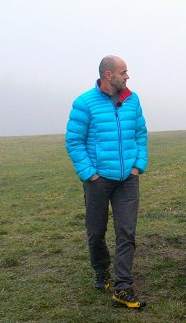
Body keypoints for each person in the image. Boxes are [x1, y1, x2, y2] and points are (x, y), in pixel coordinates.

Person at [65, 55, 148, 308]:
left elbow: (140, 134)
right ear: (108, 75)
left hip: (127, 180)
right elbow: (74, 141)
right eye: (124, 72)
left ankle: (123, 287)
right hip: (98, 180)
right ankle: (101, 271)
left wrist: (137, 166)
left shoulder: (132, 101)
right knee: (96, 231)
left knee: (127, 232)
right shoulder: (84, 103)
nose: (128, 76)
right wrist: (90, 173)